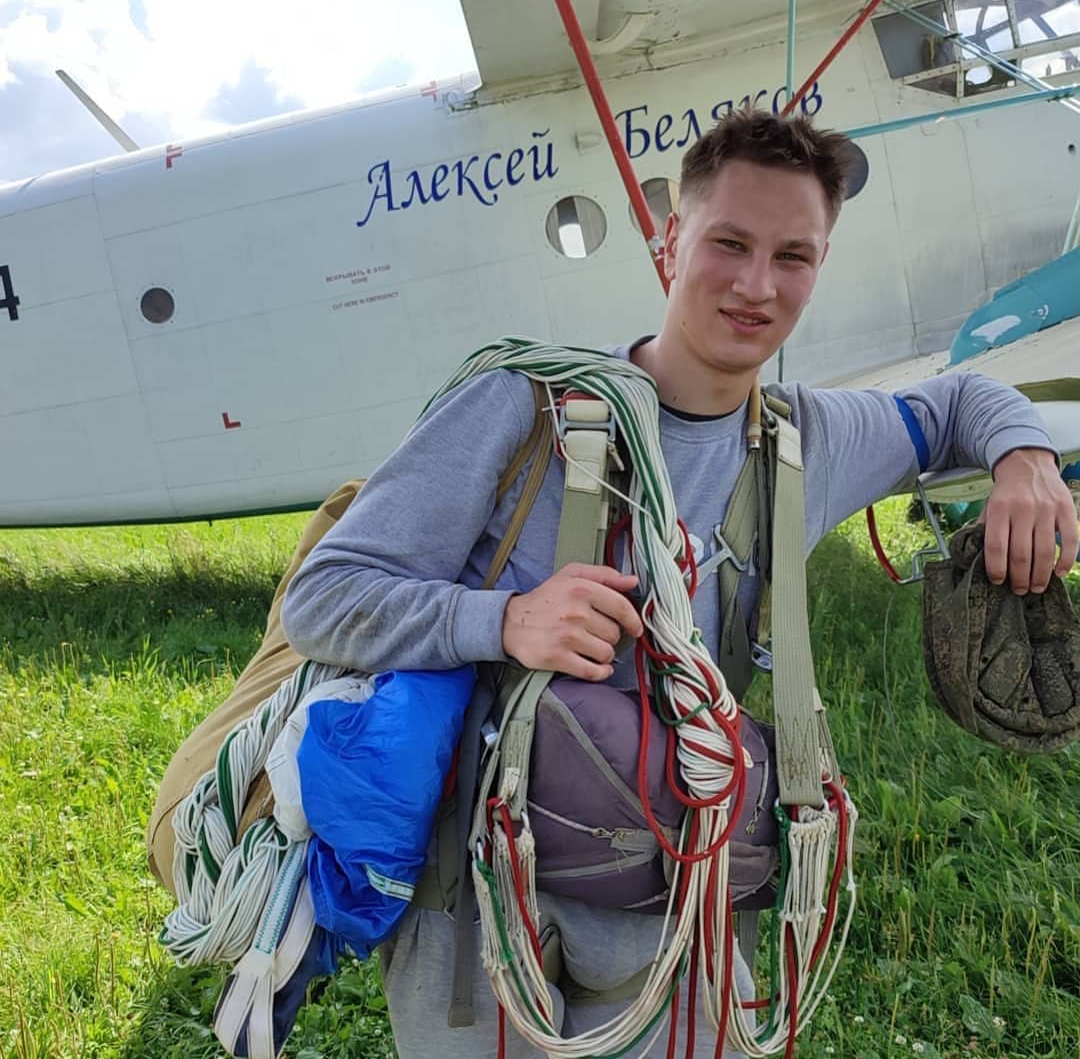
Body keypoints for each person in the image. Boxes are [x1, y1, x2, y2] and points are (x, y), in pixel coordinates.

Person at [278, 109, 1077, 1058]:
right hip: (484, 906)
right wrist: (505, 619)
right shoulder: (521, 409)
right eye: (729, 243)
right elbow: (324, 596)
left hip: (681, 896)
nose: (757, 285)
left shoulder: (810, 441)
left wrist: (1026, 458)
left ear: (820, 265)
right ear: (669, 242)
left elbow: (959, 401)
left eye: (792, 257)